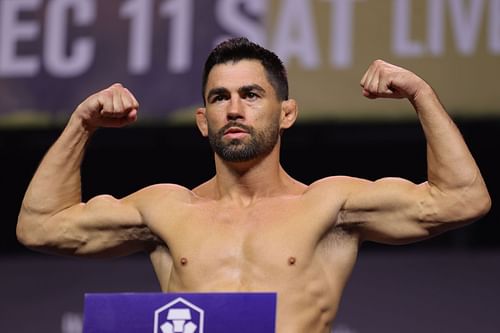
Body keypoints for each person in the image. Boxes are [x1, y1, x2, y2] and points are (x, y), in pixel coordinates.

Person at [17, 37, 490, 333]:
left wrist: (420, 94)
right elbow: (40, 227)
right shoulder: (166, 208)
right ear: (203, 121)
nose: (235, 109)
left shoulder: (328, 205)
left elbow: (462, 200)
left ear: (287, 113)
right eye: (220, 98)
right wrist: (82, 123)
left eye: (251, 94)